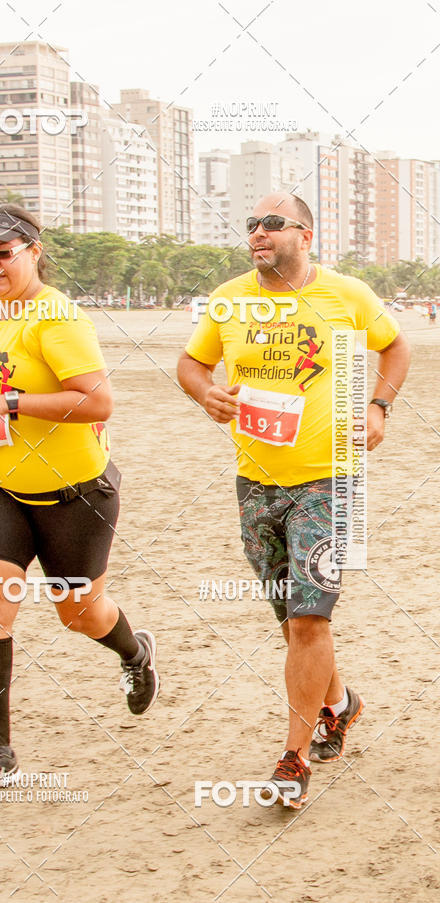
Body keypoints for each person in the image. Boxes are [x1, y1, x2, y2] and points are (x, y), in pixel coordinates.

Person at [177, 192, 410, 809]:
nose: (258, 232)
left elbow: (396, 346)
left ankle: (294, 759)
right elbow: (191, 362)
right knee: (290, 617)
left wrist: (378, 407)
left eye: (273, 223)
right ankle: (341, 704)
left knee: (310, 618)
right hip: (254, 480)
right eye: (252, 224)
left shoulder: (345, 294)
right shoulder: (229, 299)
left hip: (329, 478)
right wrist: (205, 392)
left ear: (306, 235)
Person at [0, 204, 159, 797]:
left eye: (3, 253)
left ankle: (135, 652)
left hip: (74, 494)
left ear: (33, 252)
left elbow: (97, 402)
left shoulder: (57, 318)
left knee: (80, 613)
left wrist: (7, 404)